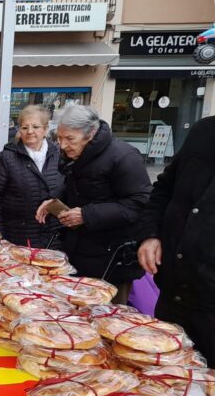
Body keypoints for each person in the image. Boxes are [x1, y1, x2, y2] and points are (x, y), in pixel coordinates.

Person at [36, 105, 151, 302]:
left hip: (112, 258)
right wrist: (54, 200)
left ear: (90, 134)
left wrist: (87, 215)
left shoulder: (123, 157)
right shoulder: (77, 155)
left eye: (70, 139)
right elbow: (73, 186)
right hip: (79, 251)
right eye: (60, 138)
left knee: (107, 319)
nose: (62, 145)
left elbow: (138, 204)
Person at [136, 116, 215, 363]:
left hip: (210, 304)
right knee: (161, 377)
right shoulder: (204, 130)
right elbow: (163, 188)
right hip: (173, 293)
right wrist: (151, 235)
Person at [0, 105, 62, 248]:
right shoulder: (7, 157)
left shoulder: (59, 154)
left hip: (53, 236)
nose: (30, 132)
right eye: (25, 127)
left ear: (45, 129)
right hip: (16, 236)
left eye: (36, 127)